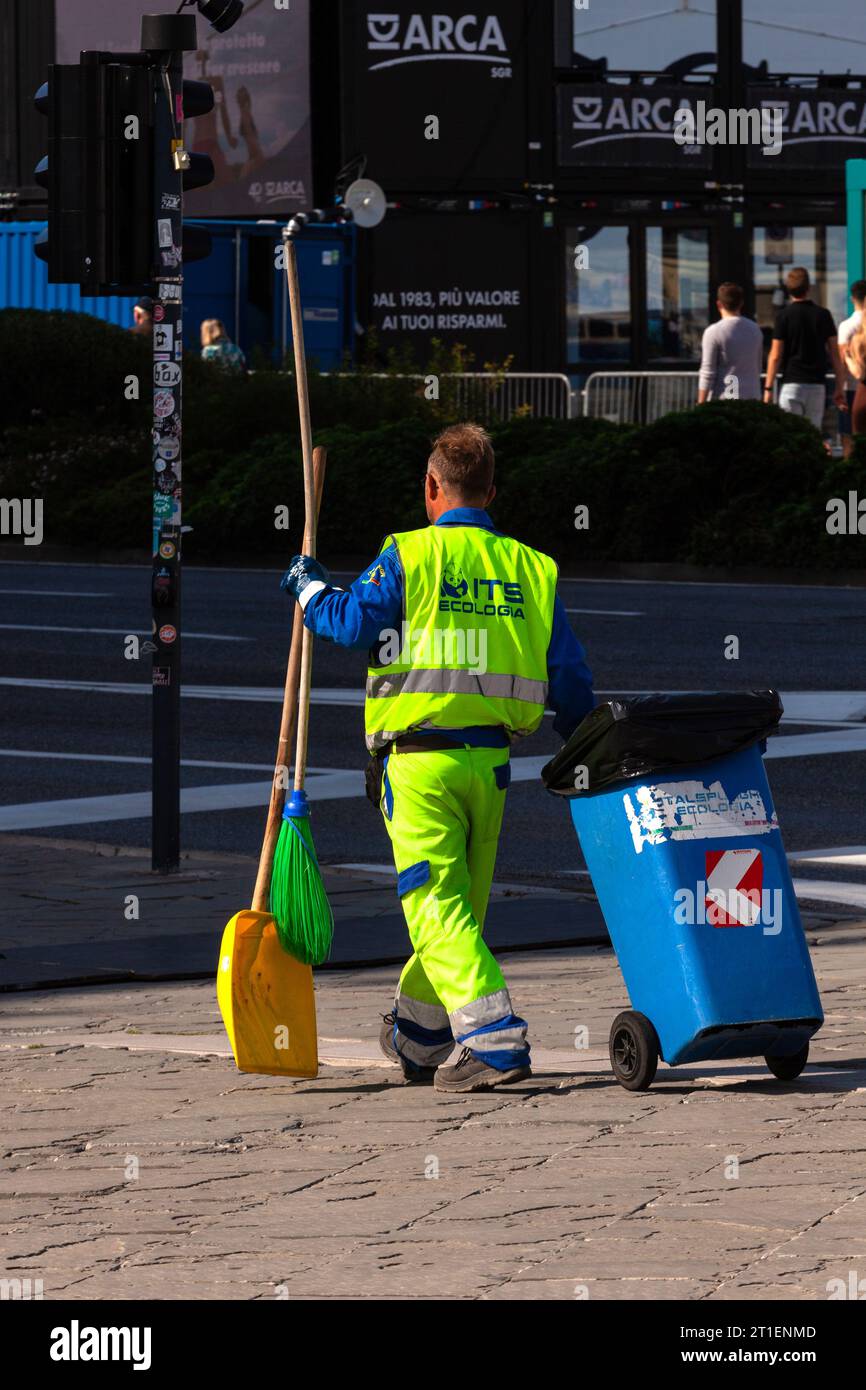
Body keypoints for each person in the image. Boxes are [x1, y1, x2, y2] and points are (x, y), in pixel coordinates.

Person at [280, 424, 595, 1093]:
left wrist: (308, 589)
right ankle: (421, 1038)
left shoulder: (408, 556)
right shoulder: (531, 569)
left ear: (431, 487)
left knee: (434, 906)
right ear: (492, 489)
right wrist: (591, 742)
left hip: (420, 764)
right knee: (459, 908)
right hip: (491, 767)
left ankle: (495, 1039)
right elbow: (567, 679)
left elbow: (352, 623)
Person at [763, 267, 846, 430]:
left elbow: (775, 355)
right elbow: (835, 355)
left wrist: (768, 388)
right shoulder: (823, 315)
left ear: (789, 289)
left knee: (791, 436)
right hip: (817, 385)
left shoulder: (783, 316)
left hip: (791, 384)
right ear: (808, 288)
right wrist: (839, 387)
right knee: (812, 435)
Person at [697, 282, 763, 403]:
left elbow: (707, 372)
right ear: (741, 303)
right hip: (753, 398)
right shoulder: (755, 329)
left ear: (719, 304)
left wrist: (701, 403)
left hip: (726, 398)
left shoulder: (713, 332)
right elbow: (758, 366)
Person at [837, 280, 866, 457]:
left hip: (853, 390)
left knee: (849, 441)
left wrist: (839, 391)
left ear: (851, 298)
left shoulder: (846, 326)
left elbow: (841, 363)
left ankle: (852, 484)